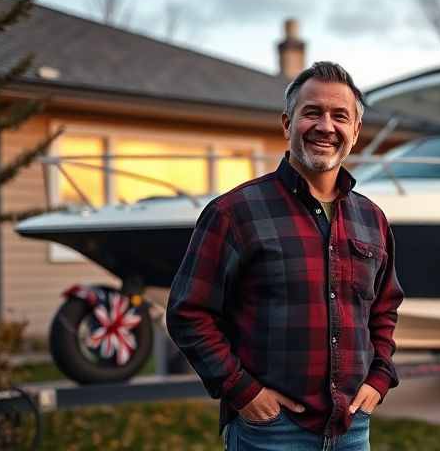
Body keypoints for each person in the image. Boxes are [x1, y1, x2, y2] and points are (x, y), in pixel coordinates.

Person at [167, 61, 404, 451]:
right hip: (269, 432)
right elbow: (188, 312)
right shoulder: (235, 213)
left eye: (340, 116)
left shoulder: (371, 219)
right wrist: (241, 391)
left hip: (351, 430)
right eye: (312, 112)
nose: (326, 126)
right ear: (287, 123)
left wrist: (379, 379)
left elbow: (383, 310)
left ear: (356, 131)